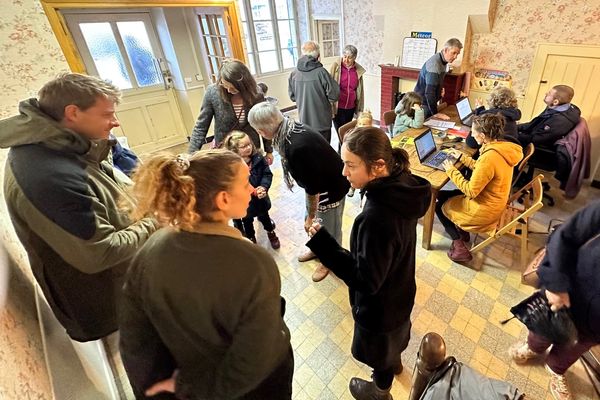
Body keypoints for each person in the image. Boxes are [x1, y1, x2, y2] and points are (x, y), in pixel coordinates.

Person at [0, 73, 158, 397]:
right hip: (104, 304)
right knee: (135, 375)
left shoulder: (63, 145)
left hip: (118, 289)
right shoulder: (47, 176)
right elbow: (97, 253)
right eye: (107, 114)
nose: (115, 122)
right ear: (72, 113)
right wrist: (156, 222)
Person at [119, 149, 293, 399]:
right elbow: (252, 363)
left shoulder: (150, 250)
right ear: (223, 199)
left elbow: (135, 339)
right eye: (245, 184)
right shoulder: (253, 263)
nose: (252, 189)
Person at [306, 127, 432, 400]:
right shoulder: (405, 187)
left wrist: (325, 246)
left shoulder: (376, 218)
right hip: (401, 289)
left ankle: (380, 391)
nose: (343, 172)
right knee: (394, 339)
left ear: (377, 167)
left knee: (379, 353)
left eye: (350, 165)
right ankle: (394, 361)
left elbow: (366, 280)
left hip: (381, 308)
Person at [248, 102, 350, 283]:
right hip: (321, 182)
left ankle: (329, 260)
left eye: (257, 130)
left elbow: (313, 188)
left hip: (331, 188)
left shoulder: (296, 147)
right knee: (314, 224)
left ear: (262, 131)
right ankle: (319, 250)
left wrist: (310, 216)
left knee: (327, 227)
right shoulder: (289, 127)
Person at [509, 200, 600, 400]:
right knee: (541, 331)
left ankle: (555, 369)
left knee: (574, 348)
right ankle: (532, 348)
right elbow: (566, 235)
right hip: (569, 292)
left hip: (597, 325)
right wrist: (555, 282)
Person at [437, 114, 523, 262]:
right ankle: (463, 233)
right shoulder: (500, 147)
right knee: (443, 194)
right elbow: (481, 170)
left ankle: (459, 247)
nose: (472, 134)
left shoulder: (490, 157)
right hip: (494, 202)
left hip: (484, 210)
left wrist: (451, 170)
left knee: (439, 206)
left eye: (473, 131)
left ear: (482, 135)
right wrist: (462, 157)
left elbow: (471, 190)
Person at [189, 60, 273, 164]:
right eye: (225, 85)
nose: (229, 90)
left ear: (244, 84)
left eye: (233, 87)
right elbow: (201, 127)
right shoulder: (212, 92)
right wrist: (190, 155)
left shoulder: (256, 94)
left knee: (254, 178)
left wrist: (269, 150)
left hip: (250, 150)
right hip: (226, 153)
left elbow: (263, 123)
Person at [223, 130, 281, 249]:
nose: (248, 147)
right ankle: (251, 239)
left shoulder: (258, 158)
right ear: (234, 149)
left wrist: (263, 187)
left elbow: (267, 174)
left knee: (265, 218)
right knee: (247, 222)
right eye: (243, 146)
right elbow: (234, 185)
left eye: (249, 144)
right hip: (244, 203)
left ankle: (271, 233)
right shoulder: (231, 166)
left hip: (260, 200)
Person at [289, 41, 340, 142]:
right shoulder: (322, 72)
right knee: (324, 152)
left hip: (304, 122)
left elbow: (292, 97)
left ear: (302, 54)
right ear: (318, 56)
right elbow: (334, 95)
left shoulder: (294, 73)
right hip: (322, 122)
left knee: (310, 152)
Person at [414, 38, 463, 120]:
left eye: (457, 54)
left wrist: (439, 89)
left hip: (428, 103)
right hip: (422, 105)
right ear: (446, 50)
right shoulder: (434, 65)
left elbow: (436, 81)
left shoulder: (443, 61)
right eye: (453, 53)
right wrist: (436, 113)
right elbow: (429, 93)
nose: (455, 57)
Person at [330, 45, 366, 136]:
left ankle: (342, 149)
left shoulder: (358, 71)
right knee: (340, 132)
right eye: (345, 56)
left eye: (349, 58)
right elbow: (329, 85)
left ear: (354, 58)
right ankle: (341, 150)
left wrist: (360, 109)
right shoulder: (336, 67)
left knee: (348, 132)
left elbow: (360, 91)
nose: (346, 60)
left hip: (350, 107)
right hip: (338, 106)